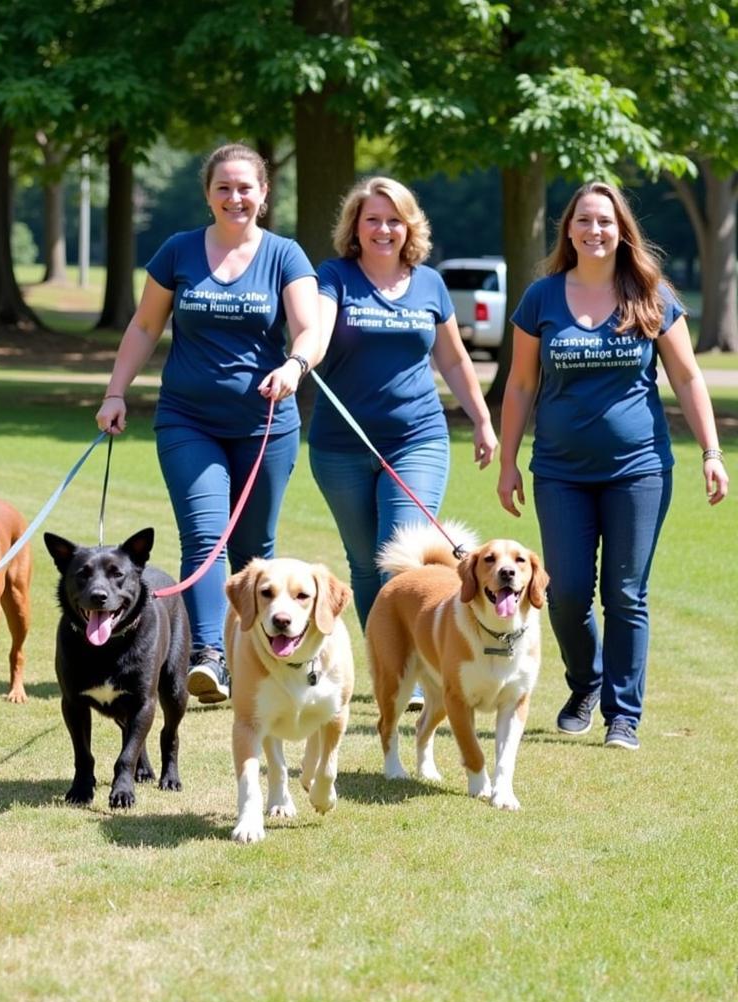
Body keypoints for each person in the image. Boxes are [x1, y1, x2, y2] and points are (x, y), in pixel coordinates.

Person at [498, 181, 728, 751]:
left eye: (605, 221)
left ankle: (623, 714)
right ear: (569, 230)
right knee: (567, 591)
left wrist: (712, 453)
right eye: (584, 221)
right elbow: (521, 382)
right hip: (559, 471)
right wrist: (508, 462)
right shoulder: (542, 298)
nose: (594, 231)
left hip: (640, 469)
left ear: (621, 229)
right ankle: (586, 683)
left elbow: (688, 377)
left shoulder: (650, 294)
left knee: (626, 592)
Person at [96, 142, 319, 704]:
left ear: (264, 195)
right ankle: (209, 658)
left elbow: (310, 328)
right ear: (208, 195)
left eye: (246, 187)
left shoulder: (285, 256)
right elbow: (145, 326)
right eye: (224, 187)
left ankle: (255, 648)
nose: (235, 197)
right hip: (187, 420)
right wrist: (116, 392)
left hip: (266, 423)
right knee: (206, 535)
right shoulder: (179, 252)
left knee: (254, 546)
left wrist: (296, 364)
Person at [309, 176, 498, 648]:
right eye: (372, 219)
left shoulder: (430, 283)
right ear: (355, 226)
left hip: (418, 439)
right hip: (339, 447)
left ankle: (413, 668)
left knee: (398, 555)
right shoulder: (334, 276)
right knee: (363, 562)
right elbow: (317, 328)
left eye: (394, 220)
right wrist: (299, 359)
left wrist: (482, 419)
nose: (383, 229)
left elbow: (453, 358)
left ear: (409, 226)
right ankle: (388, 661)